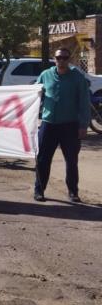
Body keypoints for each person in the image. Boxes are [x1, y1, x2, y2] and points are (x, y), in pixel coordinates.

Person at [33, 48, 91, 203]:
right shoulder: (46, 75)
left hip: (70, 125)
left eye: (65, 58)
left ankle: (73, 192)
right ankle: (39, 190)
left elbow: (84, 102)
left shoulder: (77, 77)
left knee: (71, 160)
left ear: (69, 59)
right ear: (55, 59)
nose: (62, 60)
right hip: (48, 124)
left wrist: (83, 125)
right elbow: (35, 94)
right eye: (59, 58)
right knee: (42, 159)